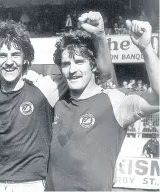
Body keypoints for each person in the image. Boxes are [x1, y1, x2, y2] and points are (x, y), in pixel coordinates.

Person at [0, 11, 113, 191]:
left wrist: (99, 36)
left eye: (15, 55)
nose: (9, 62)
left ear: (25, 58)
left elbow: (102, 74)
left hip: (32, 185)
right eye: (2, 55)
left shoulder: (45, 88)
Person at [45, 18, 159, 191]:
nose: (72, 69)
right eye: (66, 64)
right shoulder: (57, 103)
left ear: (93, 65)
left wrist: (146, 48)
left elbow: (158, 98)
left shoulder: (115, 100)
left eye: (79, 62)